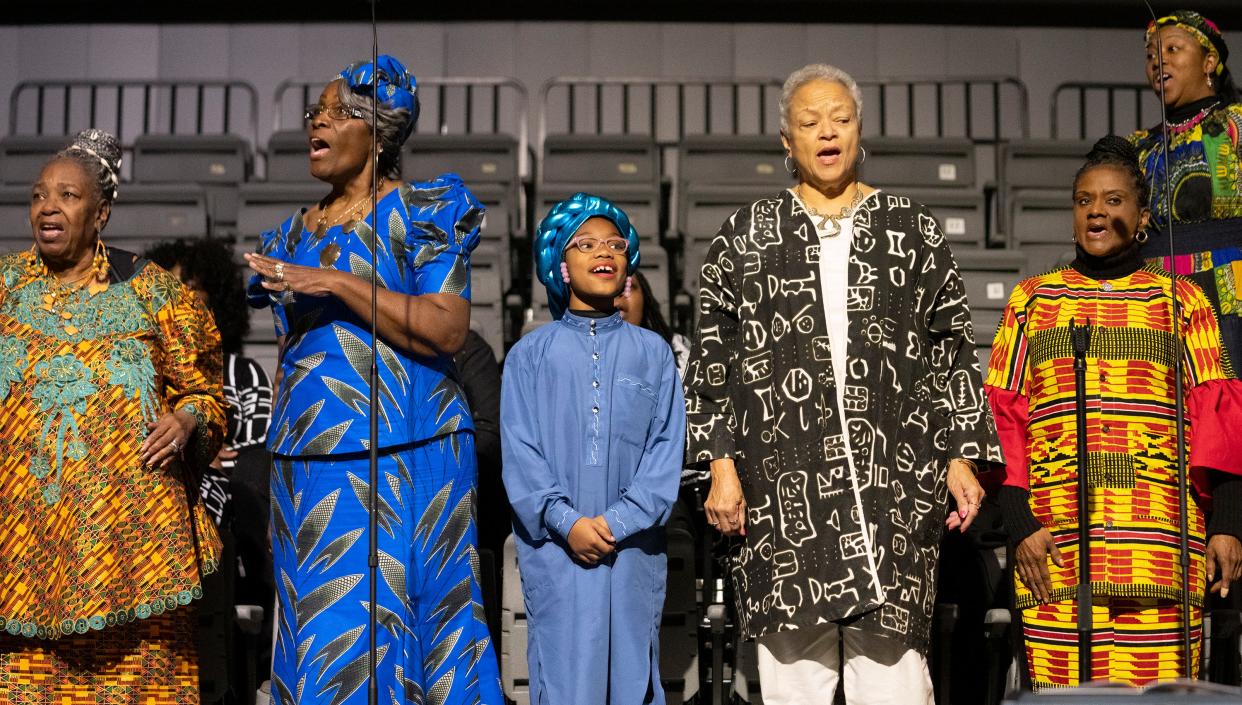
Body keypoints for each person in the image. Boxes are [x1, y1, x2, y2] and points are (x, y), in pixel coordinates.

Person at [683, 63, 1001, 705]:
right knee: (792, 688)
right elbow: (712, 360)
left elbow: (953, 351)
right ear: (785, 142)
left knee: (897, 686)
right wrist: (720, 465)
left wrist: (963, 454)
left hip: (892, 493)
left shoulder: (911, 228)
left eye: (841, 119)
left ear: (860, 132)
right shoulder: (744, 238)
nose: (826, 132)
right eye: (809, 122)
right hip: (782, 501)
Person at [244, 55, 502, 705]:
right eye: (314, 113)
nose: (317, 122)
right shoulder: (288, 233)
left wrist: (334, 281)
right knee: (321, 628)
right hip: (309, 463)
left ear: (379, 130)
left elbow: (446, 329)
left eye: (336, 112)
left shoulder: (422, 212)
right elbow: (289, 356)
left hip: (408, 456)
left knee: (403, 622)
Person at [985, 135, 1242, 689]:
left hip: (1162, 551)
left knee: (1162, 699)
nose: (1096, 211)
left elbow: (1218, 419)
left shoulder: (1182, 303)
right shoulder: (1032, 302)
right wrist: (1021, 524)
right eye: (1083, 201)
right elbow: (1005, 419)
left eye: (1113, 200)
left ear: (1143, 214)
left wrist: (1228, 525)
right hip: (1055, 554)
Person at [0, 128, 226, 702]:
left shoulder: (155, 293)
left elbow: (207, 393)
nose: (48, 206)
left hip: (136, 550)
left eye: (67, 196)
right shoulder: (3, 288)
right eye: (38, 195)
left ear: (101, 213)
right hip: (27, 546)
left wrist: (187, 421)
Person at [502, 192, 685, 705]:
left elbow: (665, 451)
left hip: (632, 554)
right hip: (558, 555)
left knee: (632, 684)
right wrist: (568, 522)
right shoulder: (528, 356)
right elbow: (520, 454)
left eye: (615, 243)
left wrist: (614, 525)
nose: (604, 252)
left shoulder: (654, 354)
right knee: (565, 684)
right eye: (585, 243)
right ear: (560, 265)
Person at [147, 236, 276, 702]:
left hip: (233, 496)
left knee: (246, 487)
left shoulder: (241, 374)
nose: (182, 302)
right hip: (169, 490)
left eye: (195, 292)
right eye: (171, 290)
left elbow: (254, 454)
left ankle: (258, 649)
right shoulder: (142, 373)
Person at [1131, 10, 1242, 363]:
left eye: (1173, 49)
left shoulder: (1234, 127)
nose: (1157, 61)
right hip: (1155, 295)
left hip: (1229, 290)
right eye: (1150, 55)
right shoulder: (1138, 147)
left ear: (1209, 61)